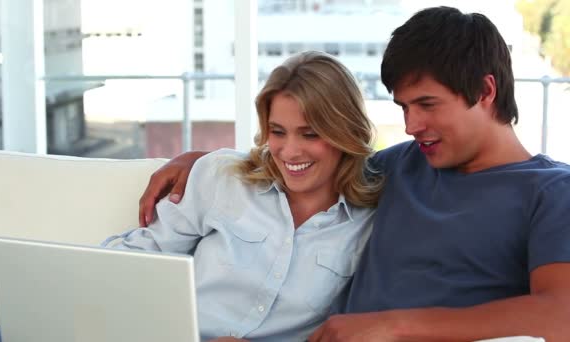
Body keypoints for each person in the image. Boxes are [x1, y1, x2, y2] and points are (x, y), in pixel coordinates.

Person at [139, 6, 570, 342]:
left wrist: (389, 327)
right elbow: (307, 158)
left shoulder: (551, 191)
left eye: (427, 104)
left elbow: (560, 317)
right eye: (403, 107)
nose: (410, 125)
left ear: (486, 91)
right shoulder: (401, 166)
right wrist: (199, 160)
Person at [0, 51, 384, 341]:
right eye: (278, 132)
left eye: (310, 134)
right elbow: (148, 250)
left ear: (343, 132)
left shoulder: (371, 221)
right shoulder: (223, 176)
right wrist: (81, 277)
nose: (289, 151)